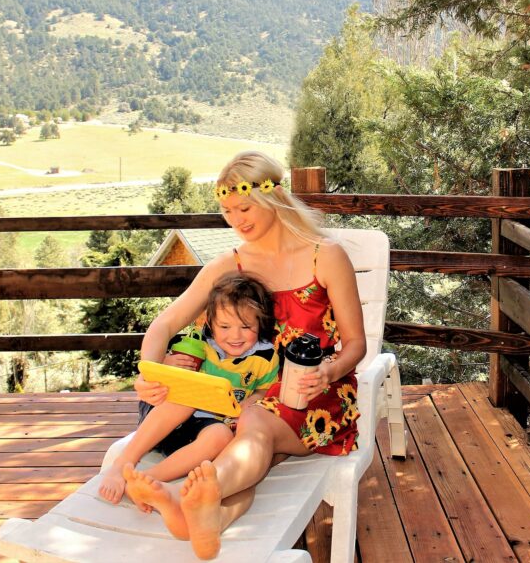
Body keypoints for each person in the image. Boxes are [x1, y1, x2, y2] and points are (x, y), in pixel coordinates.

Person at [123, 151, 366, 560]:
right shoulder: (230, 266)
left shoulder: (325, 256)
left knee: (251, 424)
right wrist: (151, 371)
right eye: (227, 211)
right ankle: (206, 518)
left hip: (313, 396)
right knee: (248, 440)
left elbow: (356, 344)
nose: (236, 219)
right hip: (243, 398)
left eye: (245, 207)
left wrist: (329, 371)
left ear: (273, 197)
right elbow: (164, 324)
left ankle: (188, 495)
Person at [98, 272, 279, 505]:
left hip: (201, 433)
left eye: (246, 326)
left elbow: (264, 390)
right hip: (163, 419)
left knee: (222, 436)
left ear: (259, 323)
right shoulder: (196, 345)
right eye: (224, 326)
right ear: (209, 323)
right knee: (187, 399)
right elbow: (160, 372)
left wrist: (252, 400)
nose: (235, 336)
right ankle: (122, 465)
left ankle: (147, 480)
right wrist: (166, 362)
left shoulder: (266, 358)